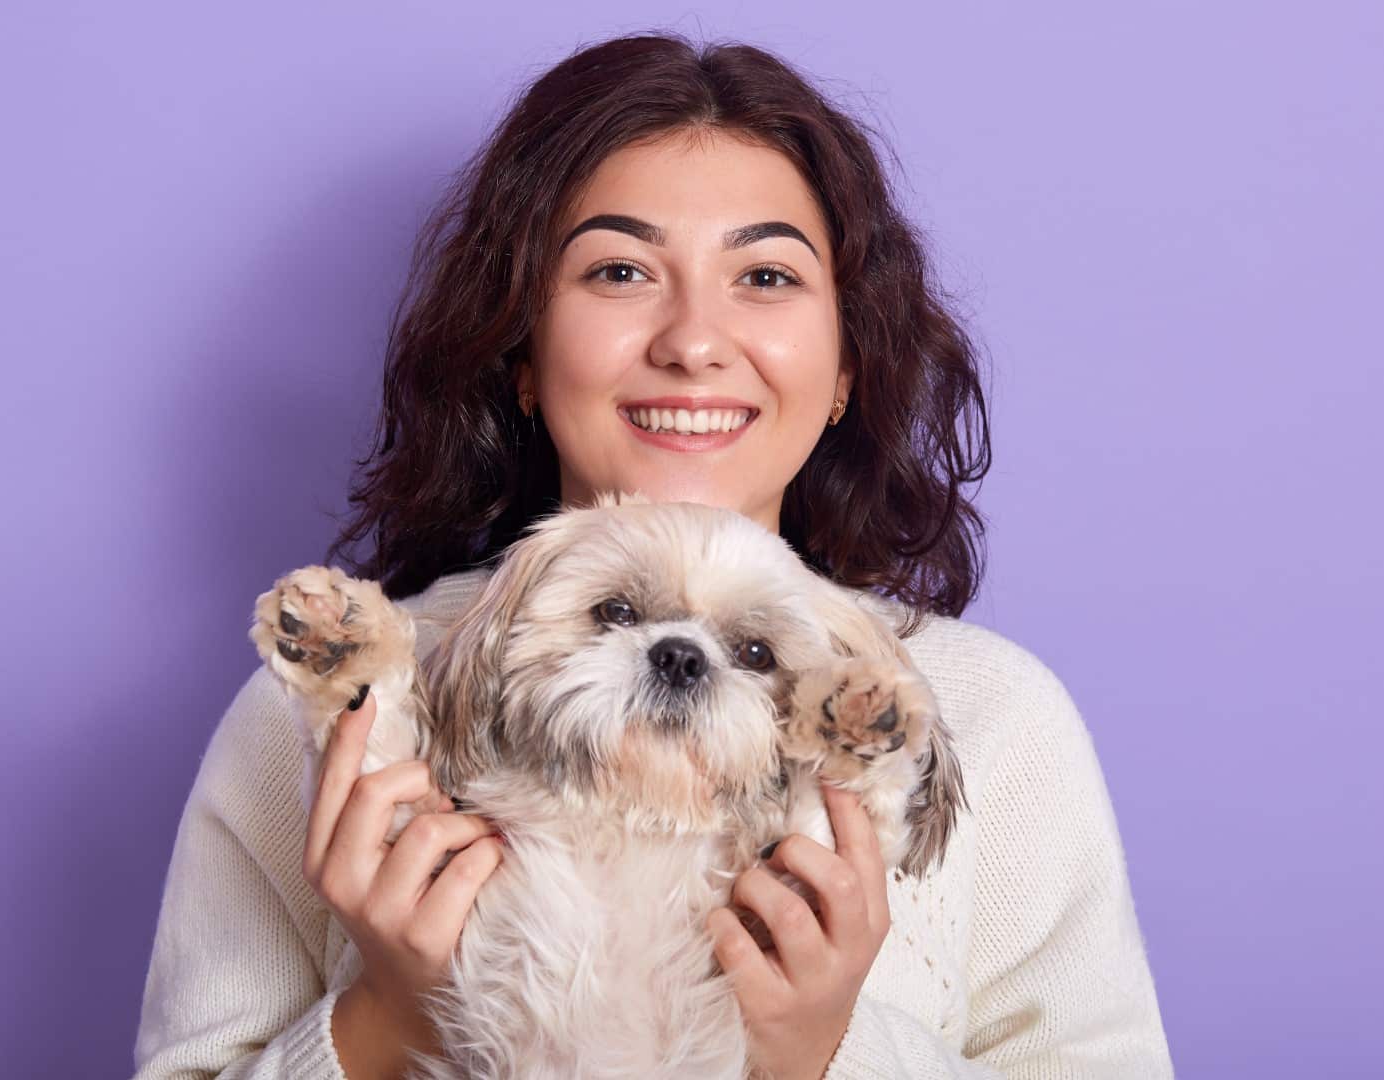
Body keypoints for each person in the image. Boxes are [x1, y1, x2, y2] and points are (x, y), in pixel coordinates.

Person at [133, 31, 1175, 1080]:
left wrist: (825, 1051)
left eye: (765, 275)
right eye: (620, 269)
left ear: (847, 362)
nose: (693, 340)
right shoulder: (298, 723)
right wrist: (388, 1015)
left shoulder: (997, 718)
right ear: (524, 353)